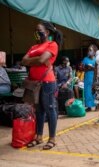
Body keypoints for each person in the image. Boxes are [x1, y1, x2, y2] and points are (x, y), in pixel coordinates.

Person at [21, 21, 63, 150]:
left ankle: (52, 139)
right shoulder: (33, 46)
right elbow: (23, 60)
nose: (37, 32)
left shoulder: (52, 44)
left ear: (47, 32)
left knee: (50, 109)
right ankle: (38, 137)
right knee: (39, 110)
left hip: (47, 82)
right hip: (34, 84)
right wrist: (37, 60)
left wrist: (33, 60)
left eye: (39, 30)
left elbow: (41, 60)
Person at [82, 44, 97, 112]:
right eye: (88, 50)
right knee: (87, 92)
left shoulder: (96, 59)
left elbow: (98, 68)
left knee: (95, 91)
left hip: (95, 77)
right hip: (87, 77)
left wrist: (92, 68)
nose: (89, 51)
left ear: (94, 51)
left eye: (90, 50)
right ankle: (89, 106)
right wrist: (86, 67)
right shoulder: (85, 59)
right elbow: (82, 68)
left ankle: (97, 105)